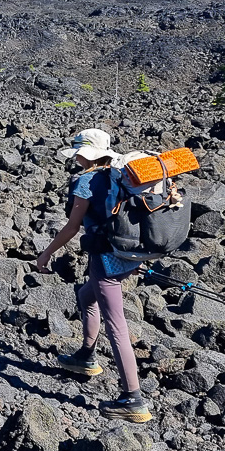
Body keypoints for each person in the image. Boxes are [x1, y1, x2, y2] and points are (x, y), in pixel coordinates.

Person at [35, 128, 151, 423]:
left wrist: (47, 253)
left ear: (84, 154)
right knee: (86, 296)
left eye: (77, 152)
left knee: (117, 326)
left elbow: (72, 227)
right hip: (128, 254)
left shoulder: (86, 181)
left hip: (106, 260)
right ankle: (86, 357)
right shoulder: (122, 175)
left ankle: (133, 399)